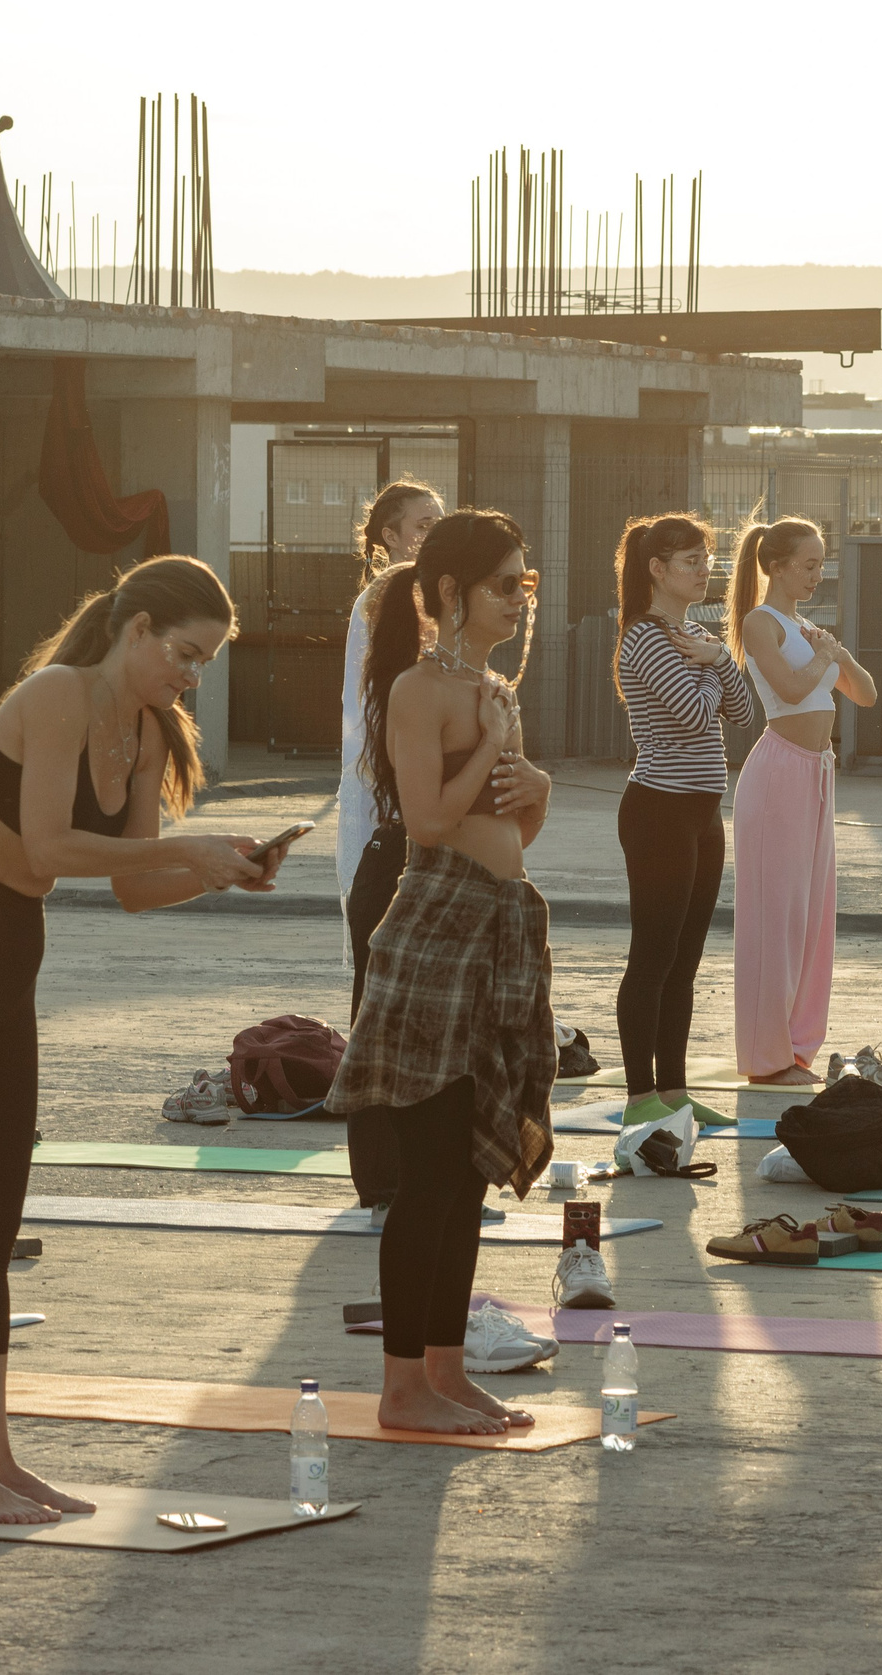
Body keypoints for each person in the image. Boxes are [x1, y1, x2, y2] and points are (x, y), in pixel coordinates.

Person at [0, 555, 279, 1524]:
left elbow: (132, 886)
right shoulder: (58, 694)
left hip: (5, 979)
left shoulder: (145, 732)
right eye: (184, 654)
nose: (192, 677)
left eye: (207, 662)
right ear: (136, 629)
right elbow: (48, 846)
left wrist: (218, 870)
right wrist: (186, 845)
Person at [324, 510, 556, 1435]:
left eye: (525, 583)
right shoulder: (419, 689)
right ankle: (402, 1385)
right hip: (436, 925)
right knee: (428, 1177)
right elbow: (425, 819)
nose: (519, 599)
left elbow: (511, 830)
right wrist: (494, 749)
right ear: (452, 591)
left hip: (499, 922)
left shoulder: (495, 690)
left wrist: (535, 789)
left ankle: (447, 1371)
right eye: (505, 583)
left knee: (467, 1176)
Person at [612, 513, 757, 1120]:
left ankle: (674, 1092)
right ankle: (640, 1097)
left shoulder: (696, 634)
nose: (704, 570)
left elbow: (744, 713)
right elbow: (698, 716)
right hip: (659, 811)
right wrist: (713, 667)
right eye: (691, 561)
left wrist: (717, 656)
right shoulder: (646, 637)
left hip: (702, 812)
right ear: (657, 569)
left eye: (707, 559)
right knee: (652, 957)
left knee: (685, 960)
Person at [726, 515, 876, 1085]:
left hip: (817, 774)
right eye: (809, 565)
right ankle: (767, 1060)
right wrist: (822, 657)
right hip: (778, 775)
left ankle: (796, 1049)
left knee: (812, 917)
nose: (818, 574)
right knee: (776, 920)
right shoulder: (760, 622)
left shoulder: (807, 628)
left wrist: (838, 653)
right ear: (777, 566)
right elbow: (790, 690)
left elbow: (866, 693)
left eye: (821, 564)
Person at [337, 478, 446, 1211]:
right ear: (389, 535)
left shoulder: (427, 602)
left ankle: (418, 1171)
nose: (432, 533)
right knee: (379, 1007)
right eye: (421, 523)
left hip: (415, 824)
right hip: (387, 825)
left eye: (440, 521)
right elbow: (377, 720)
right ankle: (381, 1178)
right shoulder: (387, 598)